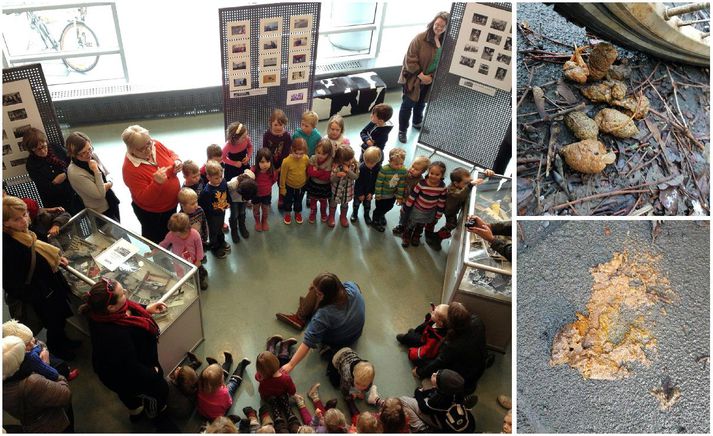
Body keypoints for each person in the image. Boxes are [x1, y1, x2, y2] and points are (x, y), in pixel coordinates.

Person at [79, 277, 169, 423]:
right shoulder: (114, 335)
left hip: (114, 371)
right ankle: (155, 414)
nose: (126, 293)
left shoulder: (100, 314)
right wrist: (154, 375)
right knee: (158, 392)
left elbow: (128, 307)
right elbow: (131, 367)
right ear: (111, 307)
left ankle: (135, 411)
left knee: (128, 395)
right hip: (125, 376)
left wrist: (146, 308)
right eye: (122, 294)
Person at [2, 196, 79, 360]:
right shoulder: (7, 247)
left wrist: (56, 258)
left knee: (60, 319)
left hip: (50, 285)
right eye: (17, 218)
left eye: (25, 214)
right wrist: (37, 295)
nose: (24, 220)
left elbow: (41, 248)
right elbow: (10, 283)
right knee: (54, 323)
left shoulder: (26, 232)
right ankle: (59, 349)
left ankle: (65, 342)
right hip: (40, 295)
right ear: (5, 223)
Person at [276, 272, 366, 374]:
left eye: (319, 293)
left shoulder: (324, 314)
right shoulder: (352, 287)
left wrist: (290, 364)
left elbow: (308, 342)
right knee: (315, 292)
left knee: (312, 297)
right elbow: (356, 286)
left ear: (324, 295)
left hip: (337, 341)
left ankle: (299, 317)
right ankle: (307, 307)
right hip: (355, 333)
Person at [121, 125, 182, 243]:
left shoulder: (155, 144)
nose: (149, 149)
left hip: (171, 205)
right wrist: (156, 184)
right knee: (156, 240)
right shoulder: (129, 169)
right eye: (142, 149)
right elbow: (144, 198)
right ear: (131, 149)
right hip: (153, 213)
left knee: (170, 231)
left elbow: (170, 153)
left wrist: (177, 160)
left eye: (149, 143)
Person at [3, 335, 74, 433]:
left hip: (31, 421)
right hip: (54, 424)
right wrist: (45, 366)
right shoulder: (33, 382)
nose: (31, 351)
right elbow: (66, 394)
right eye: (25, 352)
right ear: (19, 362)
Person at [397, 11, 450, 144]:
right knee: (407, 104)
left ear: (447, 27)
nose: (438, 28)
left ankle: (416, 122)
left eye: (442, 26)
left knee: (421, 103)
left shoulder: (447, 42)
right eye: (437, 24)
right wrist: (421, 75)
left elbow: (446, 62)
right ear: (433, 22)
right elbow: (409, 59)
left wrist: (432, 77)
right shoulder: (421, 38)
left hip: (431, 80)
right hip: (414, 78)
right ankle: (402, 130)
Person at [415, 302, 488, 396]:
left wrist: (420, 372)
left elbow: (439, 361)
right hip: (478, 366)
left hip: (463, 378)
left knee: (422, 360)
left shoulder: (453, 345)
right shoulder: (477, 321)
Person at [428, 167, 495, 251]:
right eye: (466, 183)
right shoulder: (452, 190)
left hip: (452, 208)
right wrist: (470, 185)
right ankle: (437, 237)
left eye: (469, 181)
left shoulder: (462, 184)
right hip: (449, 210)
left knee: (450, 224)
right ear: (456, 183)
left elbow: (473, 180)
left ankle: (436, 235)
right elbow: (459, 195)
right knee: (451, 224)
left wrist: (485, 174)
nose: (469, 183)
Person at [22, 127, 82, 213]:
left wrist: (65, 174)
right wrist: (55, 182)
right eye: (38, 149)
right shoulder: (31, 164)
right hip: (55, 203)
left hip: (75, 194)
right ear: (31, 150)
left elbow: (73, 163)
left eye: (44, 146)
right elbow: (45, 187)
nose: (43, 151)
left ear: (46, 142)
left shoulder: (56, 148)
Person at [66, 131, 121, 221]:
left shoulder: (93, 156)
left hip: (111, 200)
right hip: (99, 211)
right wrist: (95, 170)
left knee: (120, 230)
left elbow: (108, 173)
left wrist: (109, 183)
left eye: (89, 149)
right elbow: (100, 194)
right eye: (83, 153)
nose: (88, 154)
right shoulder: (74, 172)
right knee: (112, 234)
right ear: (74, 154)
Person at [2, 319, 79, 382]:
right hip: (46, 372)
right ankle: (67, 375)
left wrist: (41, 349)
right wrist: (60, 378)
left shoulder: (27, 347)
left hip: (41, 358)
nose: (33, 343)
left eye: (32, 338)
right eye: (27, 344)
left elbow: (37, 344)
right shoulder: (31, 358)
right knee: (61, 366)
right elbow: (49, 372)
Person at [402, 369, 476, 433]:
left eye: (436, 377)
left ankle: (424, 429)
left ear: (441, 389)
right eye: (437, 373)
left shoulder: (438, 400)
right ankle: (464, 406)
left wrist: (417, 393)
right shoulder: (456, 392)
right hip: (470, 426)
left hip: (446, 427)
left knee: (403, 400)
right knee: (426, 384)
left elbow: (424, 408)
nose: (434, 374)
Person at [400, 160, 447, 248]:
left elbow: (441, 201)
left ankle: (416, 236)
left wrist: (438, 215)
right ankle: (406, 236)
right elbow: (413, 196)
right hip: (417, 209)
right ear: (428, 172)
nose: (433, 176)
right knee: (411, 223)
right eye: (431, 173)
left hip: (429, 211)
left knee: (421, 225)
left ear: (442, 175)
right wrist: (406, 207)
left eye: (437, 174)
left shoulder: (442, 188)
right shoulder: (422, 183)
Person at [157, 213, 208, 290]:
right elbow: (164, 243)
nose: (171, 233)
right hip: (179, 260)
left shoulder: (194, 234)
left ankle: (200, 281)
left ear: (184, 230)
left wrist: (198, 259)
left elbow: (199, 247)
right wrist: (154, 251)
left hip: (194, 259)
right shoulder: (171, 234)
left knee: (198, 271)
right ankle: (184, 282)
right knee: (181, 273)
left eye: (174, 232)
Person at [255, 351, 300, 433]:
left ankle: (278, 418)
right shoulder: (286, 378)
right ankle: (290, 416)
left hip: (268, 396)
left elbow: (259, 385)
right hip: (282, 394)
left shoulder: (262, 379)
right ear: (276, 361)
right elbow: (292, 391)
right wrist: (292, 394)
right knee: (294, 422)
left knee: (273, 405)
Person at [330, 347, 376, 425]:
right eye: (357, 383)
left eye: (364, 385)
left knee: (361, 387)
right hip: (338, 358)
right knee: (335, 383)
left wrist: (360, 392)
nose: (360, 387)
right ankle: (327, 351)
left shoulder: (368, 378)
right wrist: (352, 393)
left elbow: (367, 386)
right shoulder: (347, 376)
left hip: (350, 352)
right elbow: (344, 389)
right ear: (353, 376)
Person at [197, 356, 251, 421]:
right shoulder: (224, 392)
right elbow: (229, 403)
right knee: (233, 383)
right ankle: (241, 365)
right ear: (221, 382)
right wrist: (225, 388)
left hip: (204, 414)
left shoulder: (200, 386)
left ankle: (227, 362)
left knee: (216, 377)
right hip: (217, 417)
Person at [396, 303, 448, 368]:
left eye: (434, 313)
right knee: (413, 332)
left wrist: (414, 353)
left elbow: (426, 349)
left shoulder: (435, 337)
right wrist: (431, 315)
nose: (433, 312)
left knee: (406, 337)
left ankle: (405, 338)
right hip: (424, 336)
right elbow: (425, 325)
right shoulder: (436, 322)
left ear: (440, 322)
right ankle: (412, 334)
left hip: (424, 343)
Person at [370, 148, 407, 232]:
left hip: (392, 195)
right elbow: (379, 183)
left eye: (401, 163)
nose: (399, 166)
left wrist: (399, 197)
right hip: (382, 195)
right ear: (390, 161)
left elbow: (401, 184)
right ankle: (375, 221)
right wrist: (378, 195)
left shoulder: (403, 171)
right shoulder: (384, 169)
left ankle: (382, 215)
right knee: (379, 208)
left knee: (389, 206)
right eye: (396, 164)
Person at [393, 155, 431, 235]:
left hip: (412, 203)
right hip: (403, 198)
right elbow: (397, 179)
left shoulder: (420, 182)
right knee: (403, 213)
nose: (412, 169)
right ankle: (402, 225)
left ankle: (405, 226)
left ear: (422, 172)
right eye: (412, 166)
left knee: (408, 215)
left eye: (416, 169)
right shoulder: (406, 173)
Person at [200, 161, 231, 259]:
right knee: (214, 231)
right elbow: (205, 207)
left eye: (221, 176)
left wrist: (228, 201)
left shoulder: (223, 181)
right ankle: (215, 247)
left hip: (222, 212)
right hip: (212, 216)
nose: (220, 179)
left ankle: (221, 241)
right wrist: (217, 210)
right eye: (217, 178)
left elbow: (227, 192)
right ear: (208, 177)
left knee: (220, 227)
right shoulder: (207, 192)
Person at [263, 109, 292, 210]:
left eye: (281, 125)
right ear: (270, 124)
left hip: (282, 165)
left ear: (284, 124)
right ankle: (268, 197)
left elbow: (286, 153)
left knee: (281, 182)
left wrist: (280, 168)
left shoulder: (287, 136)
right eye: (275, 125)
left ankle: (281, 198)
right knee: (268, 181)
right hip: (270, 164)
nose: (278, 127)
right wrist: (270, 165)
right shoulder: (267, 135)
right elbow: (265, 151)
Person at [279, 138, 309, 225]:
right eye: (296, 153)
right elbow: (282, 176)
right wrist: (282, 188)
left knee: (298, 201)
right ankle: (288, 213)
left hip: (301, 186)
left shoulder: (306, 158)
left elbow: (307, 171)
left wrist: (306, 182)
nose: (299, 156)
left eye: (301, 154)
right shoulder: (286, 161)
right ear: (292, 149)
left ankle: (297, 213)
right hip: (289, 186)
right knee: (288, 201)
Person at [328, 144, 359, 228]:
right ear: (340, 160)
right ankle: (331, 216)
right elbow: (331, 180)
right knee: (333, 204)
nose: (350, 161)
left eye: (351, 158)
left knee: (345, 205)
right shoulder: (335, 166)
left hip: (347, 191)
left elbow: (356, 177)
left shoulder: (354, 165)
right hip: (336, 191)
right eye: (347, 160)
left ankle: (343, 217)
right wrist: (337, 175)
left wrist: (348, 171)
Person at [305, 139, 334, 224]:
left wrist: (317, 171)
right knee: (313, 201)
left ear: (328, 154)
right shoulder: (313, 158)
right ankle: (313, 212)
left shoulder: (330, 161)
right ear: (315, 150)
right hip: (313, 185)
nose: (320, 155)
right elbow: (310, 172)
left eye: (324, 154)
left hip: (324, 187)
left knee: (323, 202)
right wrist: (322, 172)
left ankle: (323, 213)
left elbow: (327, 176)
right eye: (318, 152)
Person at [351, 146, 382, 225]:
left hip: (369, 192)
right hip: (359, 191)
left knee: (367, 205)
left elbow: (377, 182)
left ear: (377, 161)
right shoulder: (361, 168)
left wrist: (372, 193)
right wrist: (360, 194)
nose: (368, 164)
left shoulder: (378, 169)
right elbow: (358, 182)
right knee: (356, 204)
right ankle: (354, 213)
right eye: (366, 161)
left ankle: (366, 215)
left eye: (372, 163)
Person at [227, 170, 258, 243]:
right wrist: (227, 202)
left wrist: (247, 200)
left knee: (242, 212)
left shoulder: (252, 177)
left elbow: (247, 170)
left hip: (242, 199)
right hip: (234, 200)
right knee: (234, 215)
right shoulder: (232, 184)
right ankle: (234, 230)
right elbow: (225, 191)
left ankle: (242, 226)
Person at [251, 148, 278, 232]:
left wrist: (267, 187)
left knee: (265, 210)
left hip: (266, 195)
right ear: (257, 161)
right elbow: (249, 179)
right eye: (262, 162)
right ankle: (257, 222)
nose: (265, 164)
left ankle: (264, 221)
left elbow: (274, 180)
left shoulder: (272, 171)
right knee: (256, 210)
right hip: (255, 195)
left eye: (267, 161)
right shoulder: (254, 170)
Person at [178, 187, 209, 257]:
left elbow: (204, 223)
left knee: (200, 249)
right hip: (189, 243)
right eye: (192, 204)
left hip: (200, 237)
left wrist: (205, 236)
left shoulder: (199, 210)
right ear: (183, 205)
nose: (196, 205)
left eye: (196, 202)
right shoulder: (181, 218)